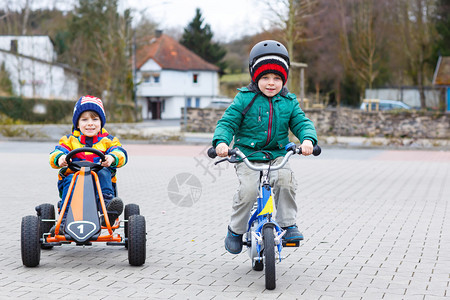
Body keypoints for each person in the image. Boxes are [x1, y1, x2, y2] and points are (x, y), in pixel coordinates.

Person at [212, 40, 318, 254]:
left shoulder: (288, 101)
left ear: (284, 79)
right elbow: (227, 123)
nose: (271, 83)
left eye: (277, 78)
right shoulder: (245, 99)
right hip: (247, 155)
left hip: (277, 155)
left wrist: (308, 140)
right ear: (255, 77)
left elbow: (301, 122)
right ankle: (235, 230)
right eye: (265, 77)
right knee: (248, 191)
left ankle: (288, 224)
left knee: (286, 181)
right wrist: (222, 143)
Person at [49, 95, 128, 230]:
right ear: (77, 123)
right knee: (70, 178)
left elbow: (120, 153)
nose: (90, 123)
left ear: (101, 122)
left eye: (95, 119)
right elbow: (56, 153)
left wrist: (112, 158)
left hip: (99, 182)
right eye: (84, 119)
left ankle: (108, 211)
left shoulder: (108, 140)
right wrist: (61, 158)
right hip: (74, 179)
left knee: (103, 172)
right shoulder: (69, 140)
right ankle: (64, 221)